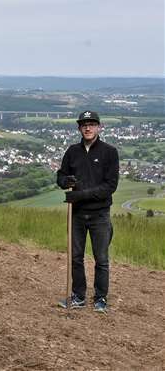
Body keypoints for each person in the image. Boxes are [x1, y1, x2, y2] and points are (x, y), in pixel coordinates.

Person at [57, 110, 119, 313]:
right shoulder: (72, 151)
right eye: (84, 124)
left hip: (99, 215)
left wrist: (81, 196)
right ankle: (78, 296)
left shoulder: (109, 152)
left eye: (92, 124)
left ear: (99, 127)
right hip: (76, 215)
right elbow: (61, 176)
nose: (88, 127)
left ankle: (100, 298)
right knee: (76, 257)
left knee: (101, 259)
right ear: (79, 128)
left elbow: (110, 187)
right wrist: (64, 181)